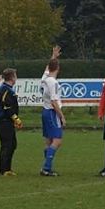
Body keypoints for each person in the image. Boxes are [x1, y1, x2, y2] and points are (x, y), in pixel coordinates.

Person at [40, 46, 65, 176]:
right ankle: (46, 168)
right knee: (57, 140)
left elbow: (47, 69)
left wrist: (53, 56)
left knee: (49, 141)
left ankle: (46, 167)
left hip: (45, 111)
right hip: (52, 112)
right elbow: (54, 102)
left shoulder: (44, 79)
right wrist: (62, 116)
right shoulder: (53, 83)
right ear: (58, 68)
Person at [0, 68, 22, 176]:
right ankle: (4, 170)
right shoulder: (6, 90)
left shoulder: (7, 89)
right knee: (7, 144)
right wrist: (16, 119)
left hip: (7, 120)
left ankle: (8, 168)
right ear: (12, 77)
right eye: (15, 76)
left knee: (12, 144)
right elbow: (7, 107)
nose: (16, 78)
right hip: (3, 121)